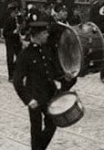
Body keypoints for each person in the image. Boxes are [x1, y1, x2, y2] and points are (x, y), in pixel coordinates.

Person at [13, 11, 75, 150]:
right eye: (45, 33)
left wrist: (66, 77)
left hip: (49, 95)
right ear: (38, 35)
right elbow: (17, 81)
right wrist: (28, 100)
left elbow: (53, 71)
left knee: (52, 124)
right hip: (34, 97)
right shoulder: (25, 54)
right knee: (36, 128)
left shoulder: (47, 50)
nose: (47, 35)